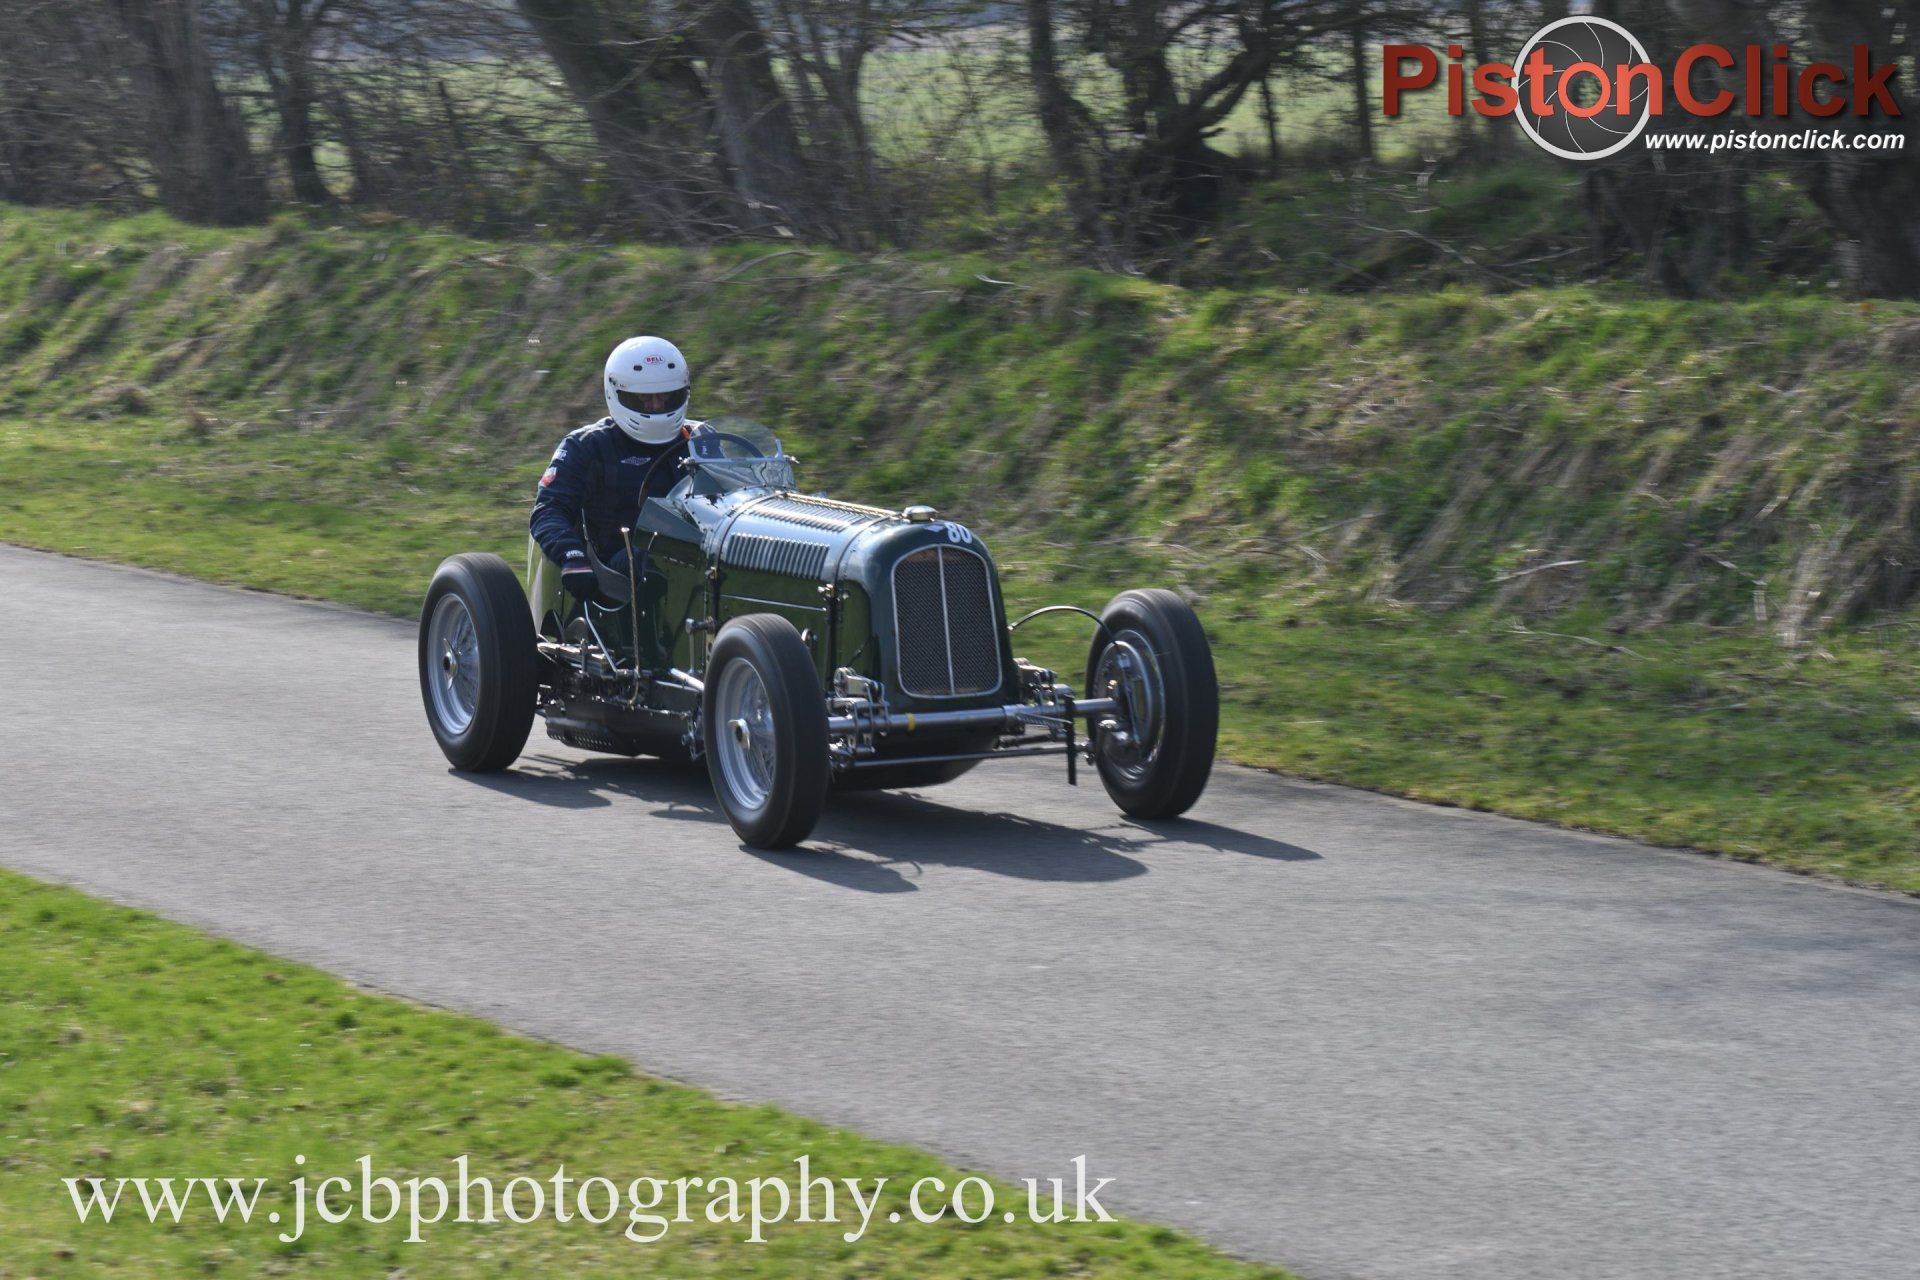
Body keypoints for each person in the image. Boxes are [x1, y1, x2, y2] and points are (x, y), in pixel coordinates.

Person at [530, 335, 696, 604]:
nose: (656, 406)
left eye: (666, 397)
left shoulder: (700, 439)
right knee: (657, 560)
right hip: (620, 566)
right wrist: (571, 555)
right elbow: (548, 510)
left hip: (696, 551)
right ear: (616, 393)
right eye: (643, 399)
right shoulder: (587, 446)